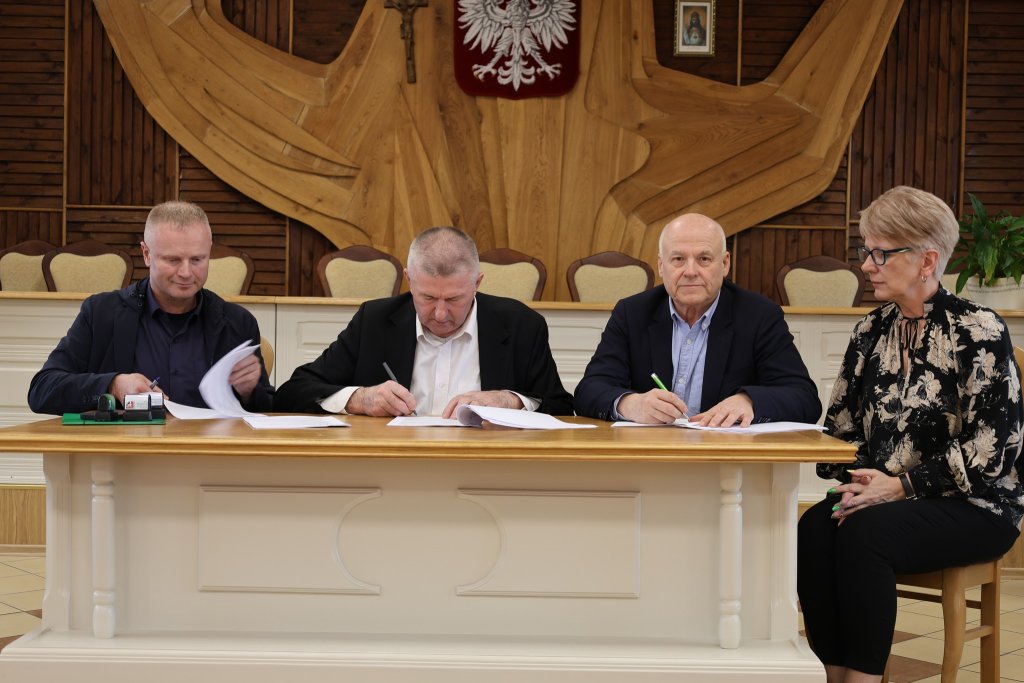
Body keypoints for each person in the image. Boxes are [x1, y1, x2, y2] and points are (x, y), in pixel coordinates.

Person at [797, 186, 1023, 683]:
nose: (867, 265)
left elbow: (990, 451)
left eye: (882, 253)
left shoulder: (978, 330)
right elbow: (841, 428)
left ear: (928, 260)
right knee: (813, 528)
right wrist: (861, 480)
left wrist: (899, 487)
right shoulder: (869, 331)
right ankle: (833, 674)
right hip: (884, 499)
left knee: (865, 535)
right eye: (866, 251)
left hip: (976, 505)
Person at [274, 226, 573, 417]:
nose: (440, 314)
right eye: (428, 297)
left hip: (487, 470)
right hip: (393, 468)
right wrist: (360, 399)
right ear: (409, 280)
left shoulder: (521, 325)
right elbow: (293, 392)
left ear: (477, 283)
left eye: (454, 299)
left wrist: (510, 402)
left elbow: (560, 406)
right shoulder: (374, 321)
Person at [573, 213, 820, 426]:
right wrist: (631, 404)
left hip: (728, 458)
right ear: (661, 265)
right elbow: (588, 390)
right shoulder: (632, 313)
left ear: (725, 264)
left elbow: (805, 398)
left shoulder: (759, 316)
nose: (690, 272)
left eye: (704, 259)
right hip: (650, 455)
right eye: (678, 259)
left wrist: (749, 401)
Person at [28, 201, 273, 415]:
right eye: (173, 260)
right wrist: (112, 385)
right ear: (146, 254)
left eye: (197, 259)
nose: (186, 272)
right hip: (126, 451)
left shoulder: (237, 322)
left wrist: (250, 392)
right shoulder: (101, 313)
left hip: (209, 452)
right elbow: (42, 390)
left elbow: (266, 410)